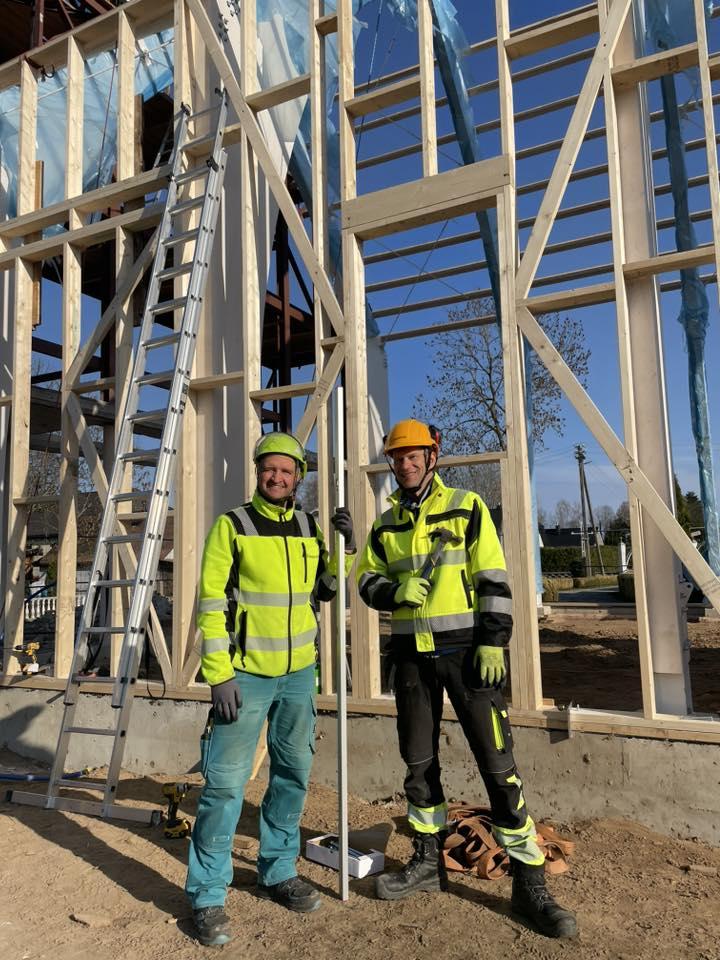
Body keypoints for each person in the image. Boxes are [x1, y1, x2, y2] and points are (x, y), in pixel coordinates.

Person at [356, 419, 576, 939]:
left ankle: (529, 881)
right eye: (397, 457)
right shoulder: (385, 525)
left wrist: (493, 640)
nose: (405, 464)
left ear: (432, 457)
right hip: (411, 657)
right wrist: (393, 592)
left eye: (413, 455)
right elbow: (364, 579)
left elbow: (492, 577)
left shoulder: (466, 507)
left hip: (466, 654)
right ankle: (427, 861)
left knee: (498, 766)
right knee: (418, 764)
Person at [186, 431, 355, 947]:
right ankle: (207, 894)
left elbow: (325, 591)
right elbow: (211, 603)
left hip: (299, 674)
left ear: (298, 477)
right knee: (224, 785)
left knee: (292, 774)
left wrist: (343, 550)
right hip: (245, 676)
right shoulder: (232, 526)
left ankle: (278, 869)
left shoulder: (308, 526)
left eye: (286, 470)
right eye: (269, 469)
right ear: (258, 472)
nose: (277, 477)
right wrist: (219, 674)